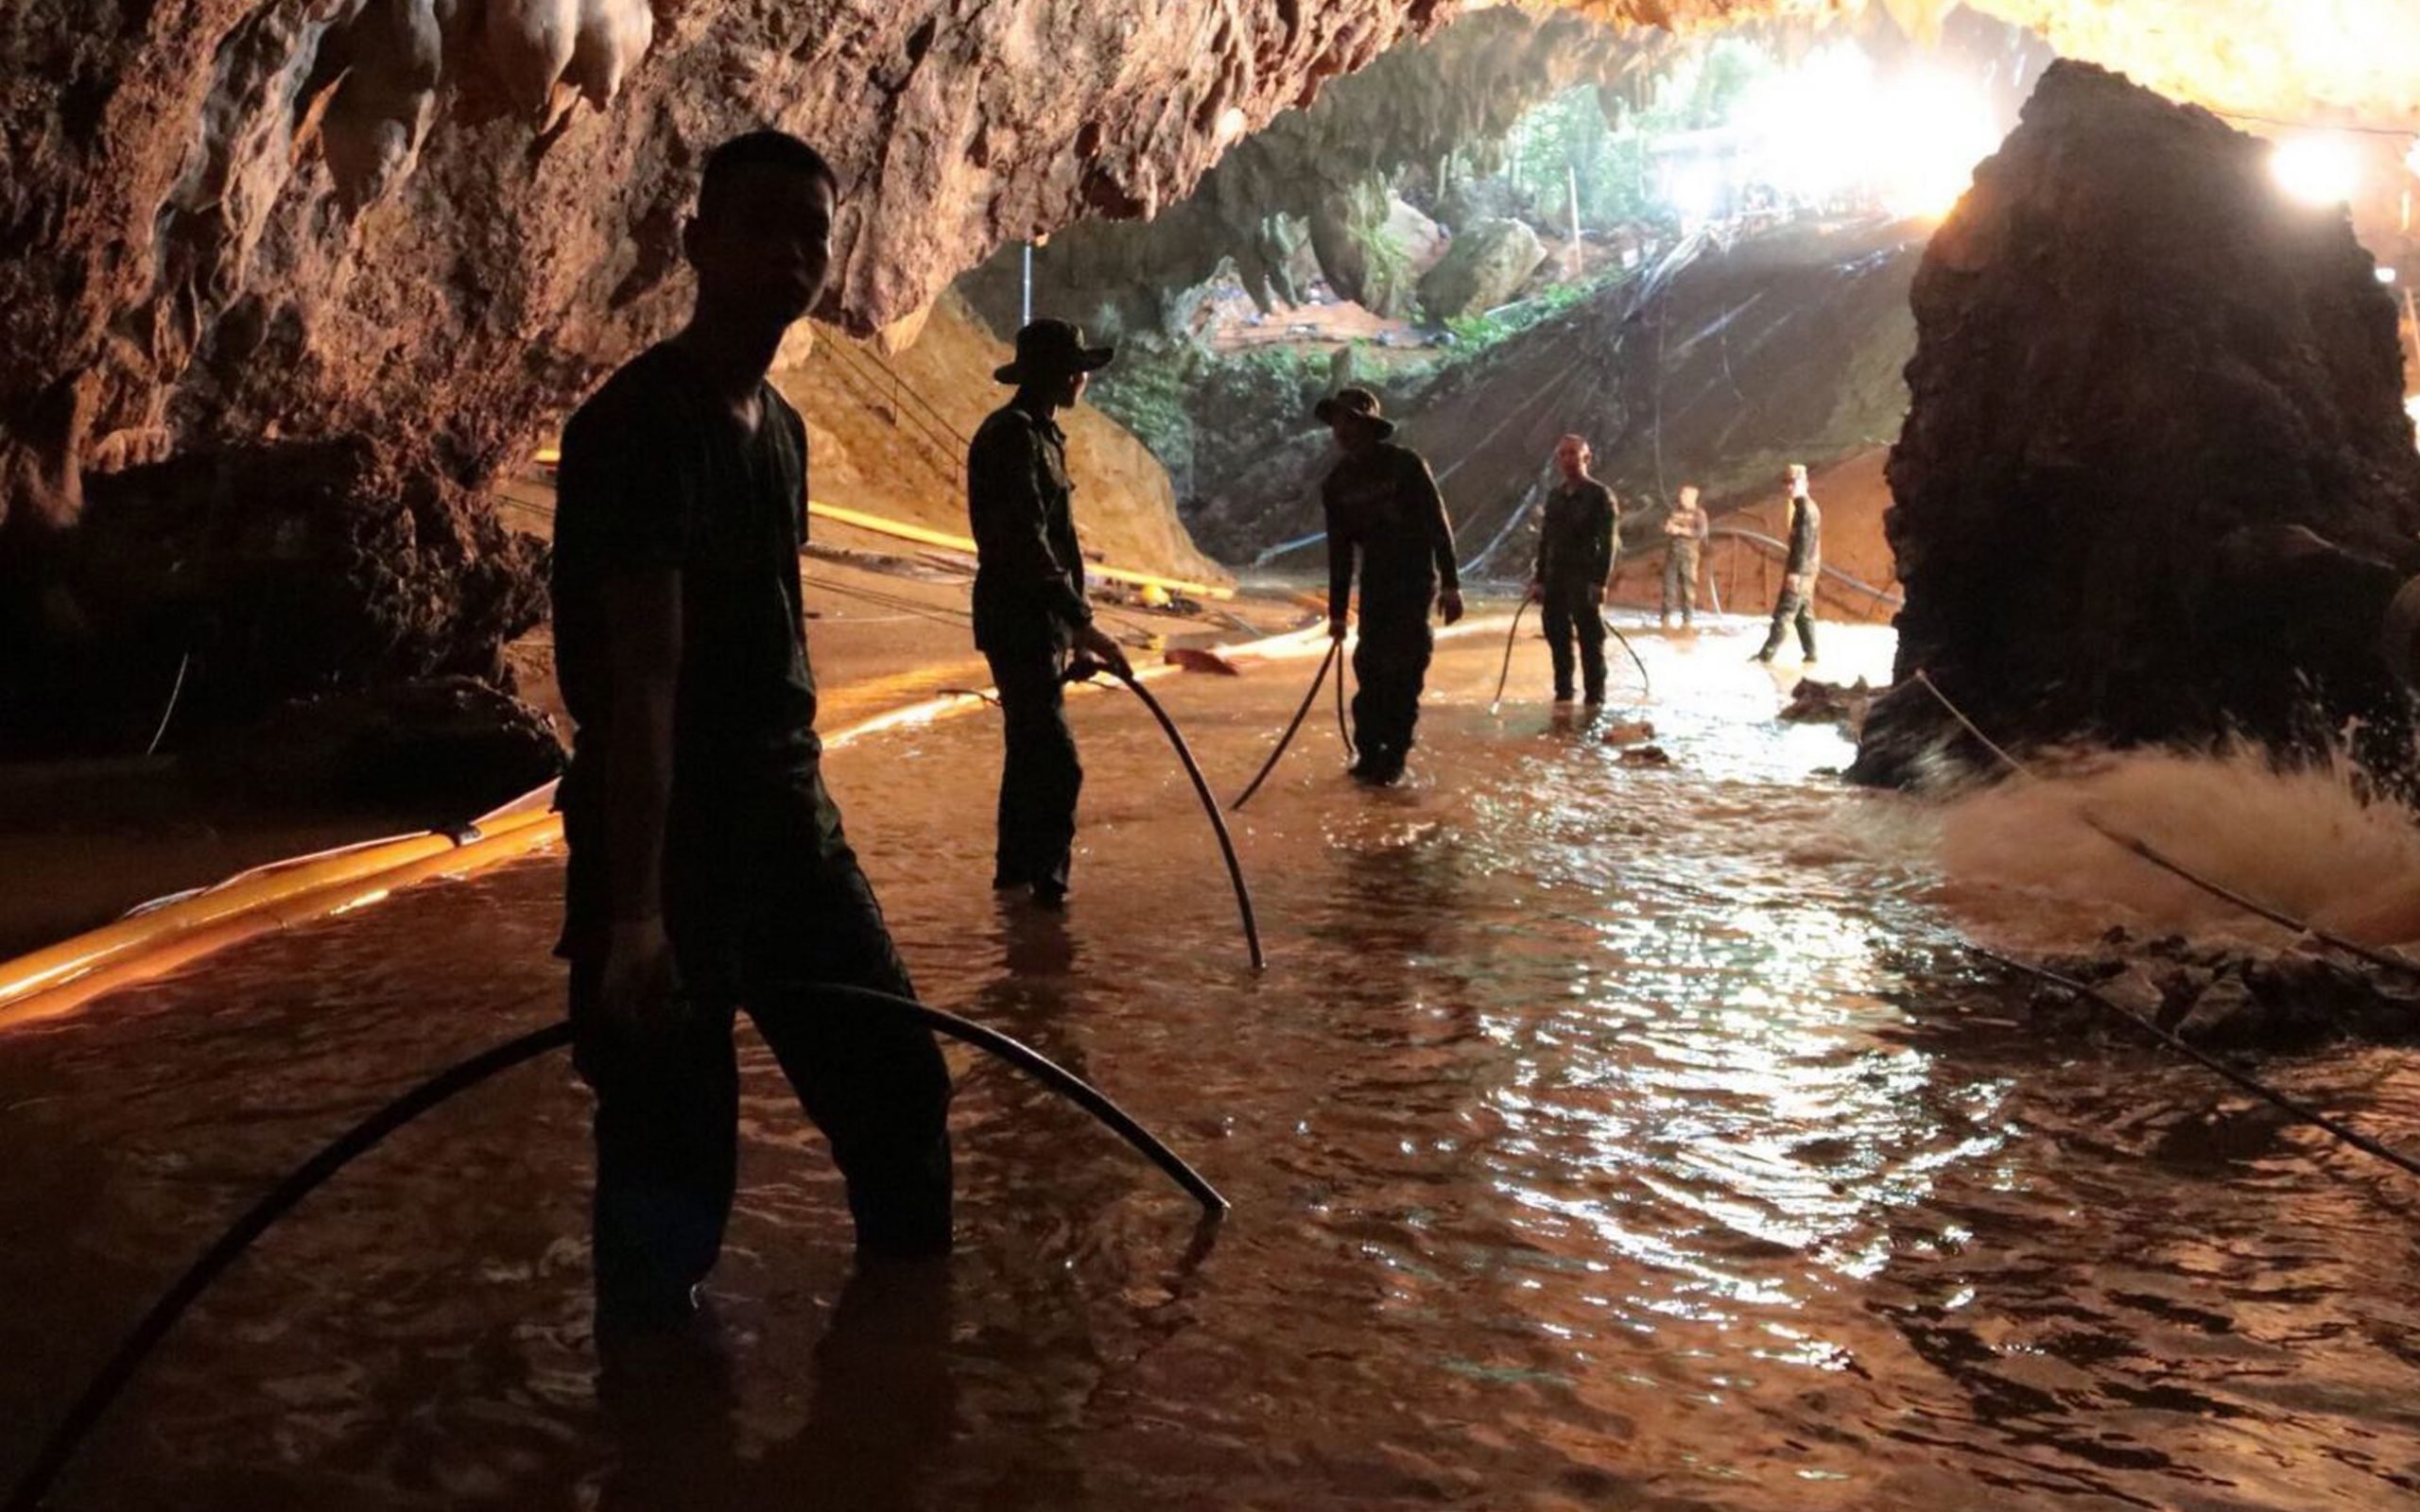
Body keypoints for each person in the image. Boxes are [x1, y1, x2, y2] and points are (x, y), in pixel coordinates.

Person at [549, 129, 955, 1327]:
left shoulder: (777, 428)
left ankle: (907, 1399)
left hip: (787, 821)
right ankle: (656, 1429)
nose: (788, 254)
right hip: (668, 840)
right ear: (695, 246)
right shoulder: (635, 425)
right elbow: (642, 681)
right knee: (672, 1166)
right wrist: (632, 920)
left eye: (811, 235)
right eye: (758, 227)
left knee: (899, 1090)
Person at [967, 318, 1132, 905]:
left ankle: (1015, 885)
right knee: (1058, 764)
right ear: (1059, 375)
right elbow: (1025, 543)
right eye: (1075, 368)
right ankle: (1045, 897)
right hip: (1018, 620)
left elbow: (1051, 543)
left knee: (1031, 752)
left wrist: (1072, 629)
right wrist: (1083, 621)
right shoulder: (1011, 435)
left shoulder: (1040, 435)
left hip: (1038, 620)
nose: (1082, 377)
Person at [1318, 387, 1463, 782]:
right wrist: (1336, 614)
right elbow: (1340, 554)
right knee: (1370, 669)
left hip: (1415, 583)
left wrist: (1451, 584)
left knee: (1405, 671)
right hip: (1376, 586)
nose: (1340, 430)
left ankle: (1395, 756)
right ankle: (1368, 755)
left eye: (1348, 420)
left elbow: (1438, 523)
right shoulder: (1337, 484)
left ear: (1367, 425)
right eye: (1336, 422)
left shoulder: (1406, 465)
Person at [1528, 435, 1619, 705]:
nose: (1568, 459)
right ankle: (1563, 695)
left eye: (1573, 454)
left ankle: (1595, 699)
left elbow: (1609, 543)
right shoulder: (1555, 497)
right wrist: (1539, 580)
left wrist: (1600, 582)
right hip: (1556, 579)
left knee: (1591, 641)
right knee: (1557, 637)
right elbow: (1546, 541)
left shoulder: (1600, 495)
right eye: (1563, 454)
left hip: (1584, 578)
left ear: (1586, 458)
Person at [1754, 463, 1822, 664]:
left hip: (1801, 572)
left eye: (1793, 482)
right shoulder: (1804, 507)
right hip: (1808, 571)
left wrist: (1795, 574)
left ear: (1804, 483)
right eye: (1786, 482)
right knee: (1804, 615)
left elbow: (1804, 543)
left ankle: (1765, 656)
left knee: (1785, 612)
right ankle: (1811, 655)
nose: (1788, 487)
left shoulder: (1805, 510)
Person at [1661, 483, 1710, 629]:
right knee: (1668, 588)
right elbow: (1667, 526)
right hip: (1672, 554)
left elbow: (1701, 533)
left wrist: (1680, 530)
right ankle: (1665, 618)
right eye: (1681, 494)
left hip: (1689, 556)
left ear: (1692, 497)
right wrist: (1668, 528)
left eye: (1684, 495)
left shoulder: (1699, 514)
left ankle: (1687, 620)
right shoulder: (1675, 511)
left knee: (1688, 589)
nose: (1680, 497)